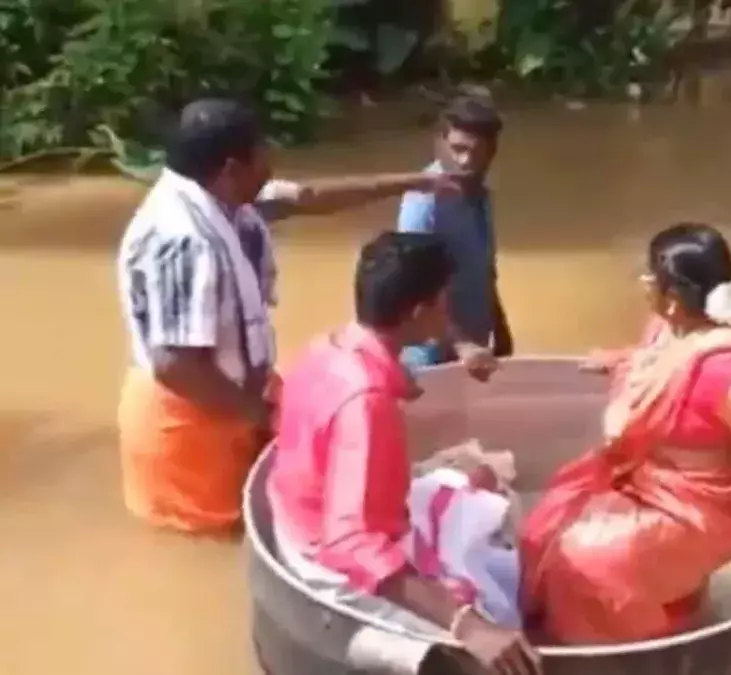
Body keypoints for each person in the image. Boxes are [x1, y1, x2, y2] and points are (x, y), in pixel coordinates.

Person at [115, 97, 482, 534]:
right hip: (188, 420)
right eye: (263, 156)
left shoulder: (224, 197)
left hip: (235, 395)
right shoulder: (184, 240)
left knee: (279, 513)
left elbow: (306, 197)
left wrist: (419, 181)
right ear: (232, 168)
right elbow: (176, 366)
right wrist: (265, 416)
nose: (271, 167)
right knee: (222, 541)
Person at [519, 223, 731, 645]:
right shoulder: (671, 327)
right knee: (545, 527)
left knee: (585, 562)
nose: (643, 283)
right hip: (651, 481)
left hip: (707, 508)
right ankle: (665, 606)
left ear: (671, 298)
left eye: (650, 276)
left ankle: (629, 647)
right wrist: (620, 361)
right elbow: (662, 362)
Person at [268, 232, 538, 675]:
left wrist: (400, 379)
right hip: (329, 564)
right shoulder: (366, 402)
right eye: (443, 302)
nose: (448, 312)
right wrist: (466, 624)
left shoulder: (326, 347)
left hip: (296, 517)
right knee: (497, 632)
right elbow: (352, 542)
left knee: (465, 484)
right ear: (418, 312)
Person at [397, 95, 514, 368]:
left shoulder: (480, 194)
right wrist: (461, 344)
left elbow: (484, 270)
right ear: (439, 143)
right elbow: (413, 285)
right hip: (429, 354)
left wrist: (500, 327)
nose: (466, 162)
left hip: (475, 347)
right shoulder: (424, 201)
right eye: (458, 149)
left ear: (492, 152)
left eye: (477, 153)